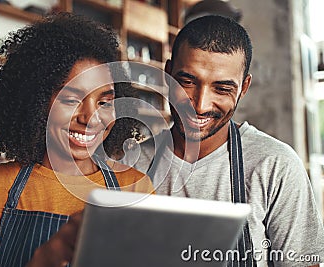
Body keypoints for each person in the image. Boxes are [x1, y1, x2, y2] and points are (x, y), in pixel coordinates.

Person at [0, 13, 153, 267]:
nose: (90, 118)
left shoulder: (136, 188)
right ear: (38, 103)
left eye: (105, 102)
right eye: (70, 99)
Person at [122, 15, 324, 266]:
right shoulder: (129, 164)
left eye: (222, 88)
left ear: (243, 88)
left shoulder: (275, 166)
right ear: (167, 74)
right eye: (187, 82)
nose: (200, 104)